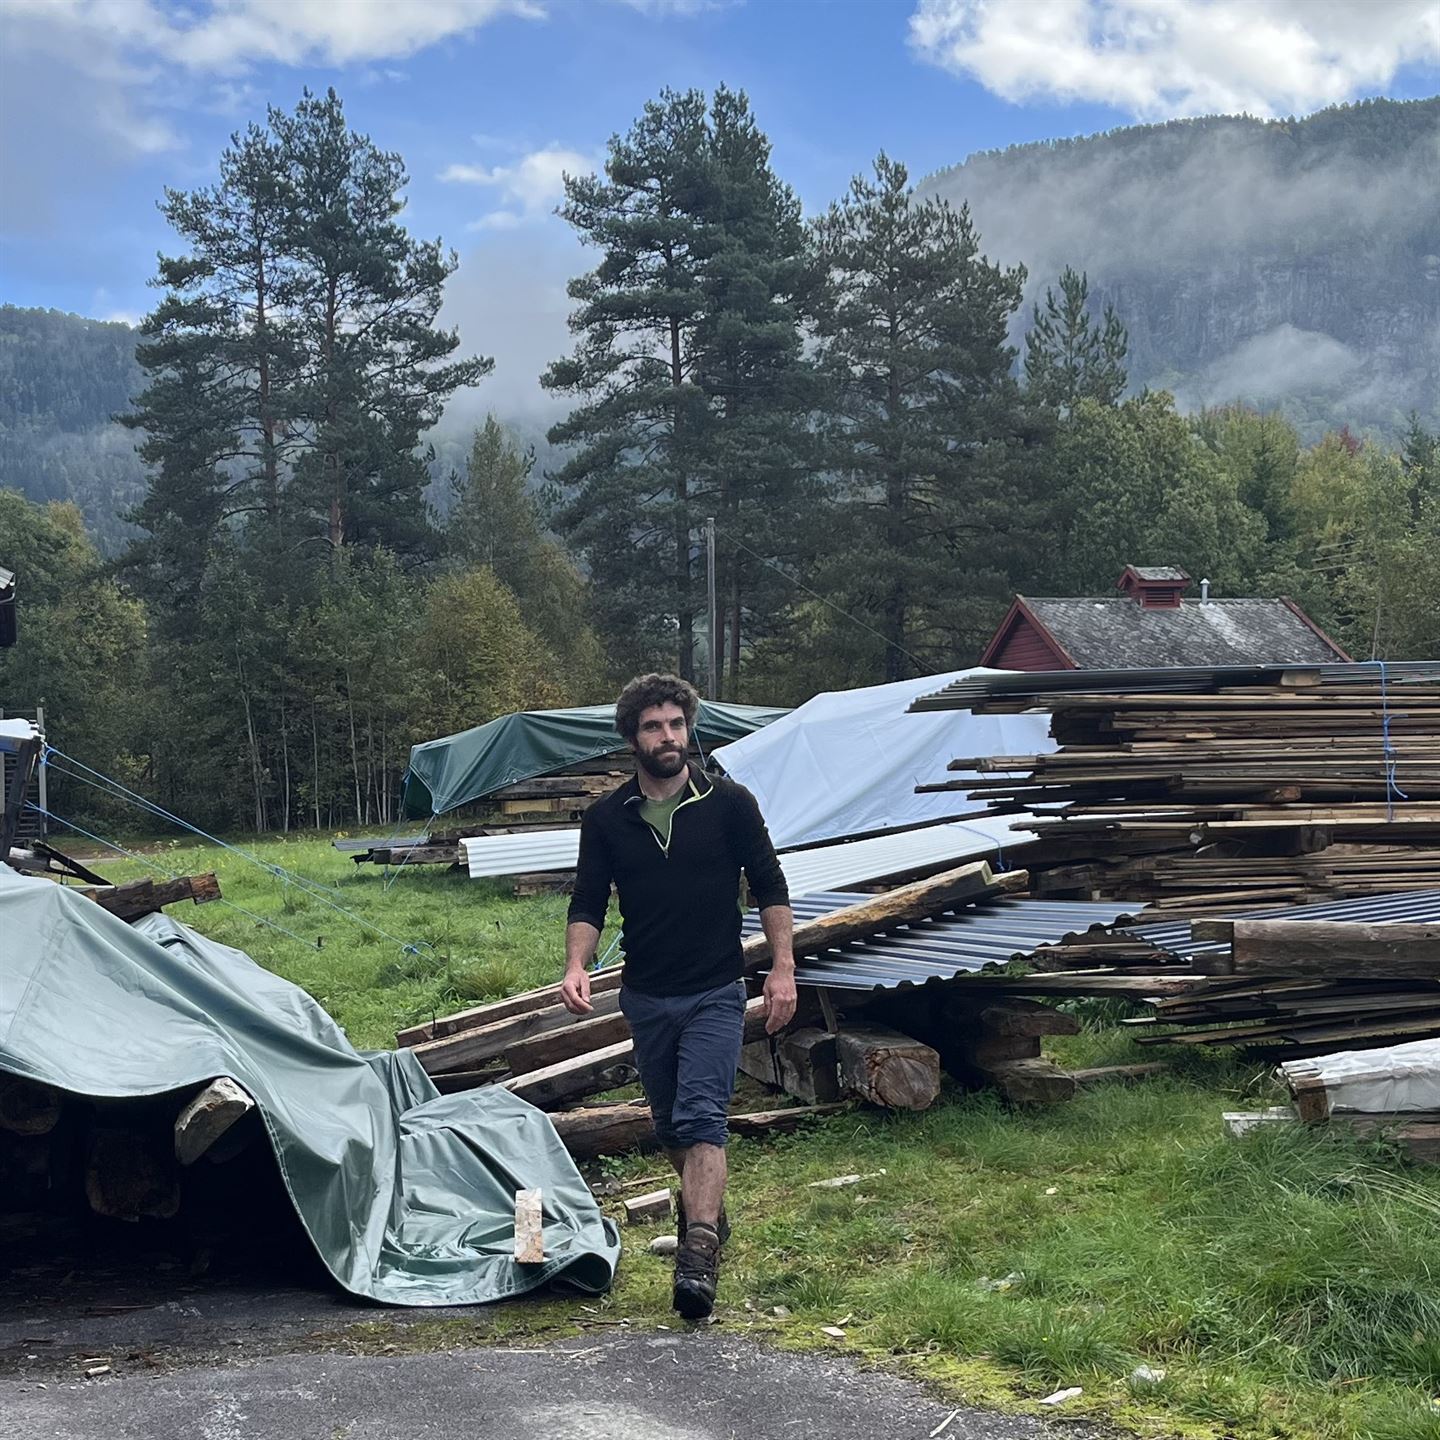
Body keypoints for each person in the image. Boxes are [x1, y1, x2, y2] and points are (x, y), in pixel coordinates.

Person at [560, 673, 796, 1319]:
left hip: (716, 989)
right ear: (631, 738)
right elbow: (588, 901)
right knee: (669, 1126)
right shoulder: (606, 819)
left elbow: (770, 886)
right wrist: (577, 963)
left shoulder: (730, 803)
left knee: (700, 1119)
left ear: (689, 729)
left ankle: (697, 1263)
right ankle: (709, 1216)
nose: (668, 737)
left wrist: (782, 968)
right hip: (646, 995)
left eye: (676, 724)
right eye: (653, 726)